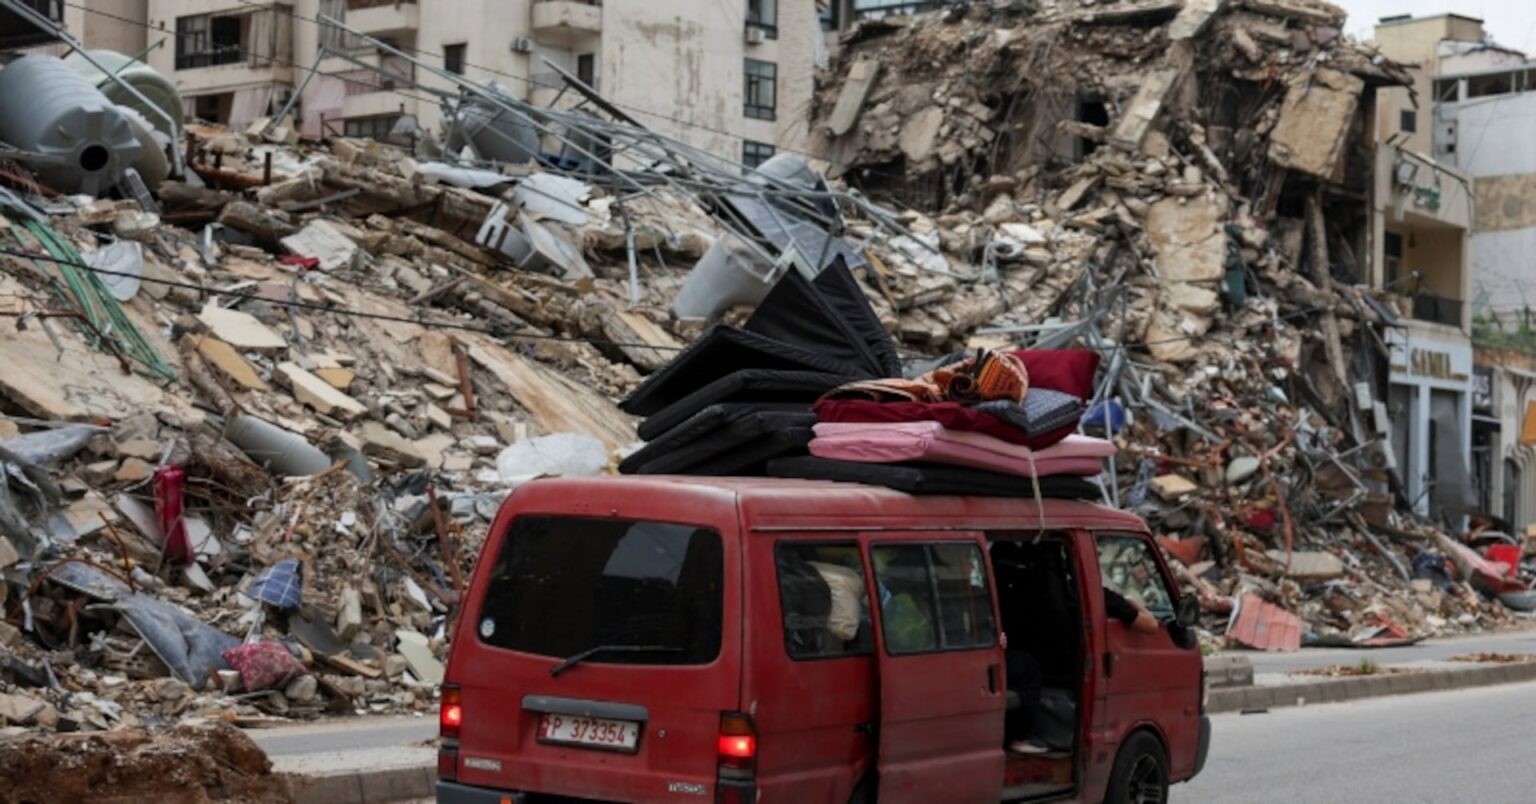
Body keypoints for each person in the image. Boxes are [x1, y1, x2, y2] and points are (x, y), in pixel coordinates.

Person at [1006, 588, 1159, 755]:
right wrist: (1132, 601)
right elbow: (1151, 625)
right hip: (1071, 669)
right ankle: (1021, 737)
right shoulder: (1097, 594)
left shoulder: (1024, 591)